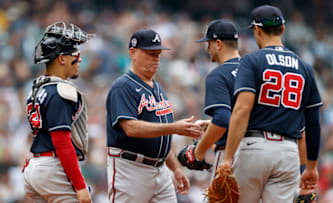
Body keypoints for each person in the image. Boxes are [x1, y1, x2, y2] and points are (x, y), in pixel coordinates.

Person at [217, 5, 322, 202]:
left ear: (256, 30)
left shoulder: (251, 60)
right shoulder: (305, 67)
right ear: (282, 29)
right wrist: (312, 166)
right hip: (288, 153)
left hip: (254, 148)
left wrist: (228, 158)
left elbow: (242, 110)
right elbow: (314, 123)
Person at [106, 28, 202, 203]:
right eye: (150, 53)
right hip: (130, 169)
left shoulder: (157, 88)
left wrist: (176, 169)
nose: (156, 59)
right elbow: (130, 127)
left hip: (160, 170)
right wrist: (174, 127)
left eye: (158, 54)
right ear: (133, 53)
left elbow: (160, 138)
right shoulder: (123, 86)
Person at [23, 21, 94, 202]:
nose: (79, 59)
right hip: (52, 168)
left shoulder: (38, 88)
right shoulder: (61, 91)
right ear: (62, 59)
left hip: (37, 165)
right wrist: (80, 185)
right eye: (75, 55)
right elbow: (61, 142)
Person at [187, 19, 241, 177]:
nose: (207, 48)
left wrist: (199, 151)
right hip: (266, 150)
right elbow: (249, 117)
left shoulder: (218, 74)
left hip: (233, 153)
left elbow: (223, 119)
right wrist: (211, 124)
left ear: (218, 44)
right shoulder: (255, 71)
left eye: (209, 43)